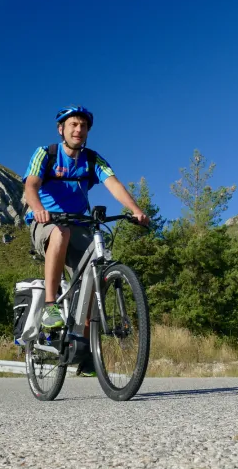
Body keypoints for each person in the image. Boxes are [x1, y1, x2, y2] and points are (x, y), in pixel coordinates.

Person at [22, 105, 149, 332]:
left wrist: (136, 210)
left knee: (97, 266)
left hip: (79, 222)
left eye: (83, 126)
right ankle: (50, 305)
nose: (78, 129)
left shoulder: (92, 159)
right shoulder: (46, 153)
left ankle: (87, 345)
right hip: (46, 221)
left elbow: (114, 184)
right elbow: (31, 185)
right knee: (60, 233)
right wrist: (39, 208)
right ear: (61, 129)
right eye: (73, 124)